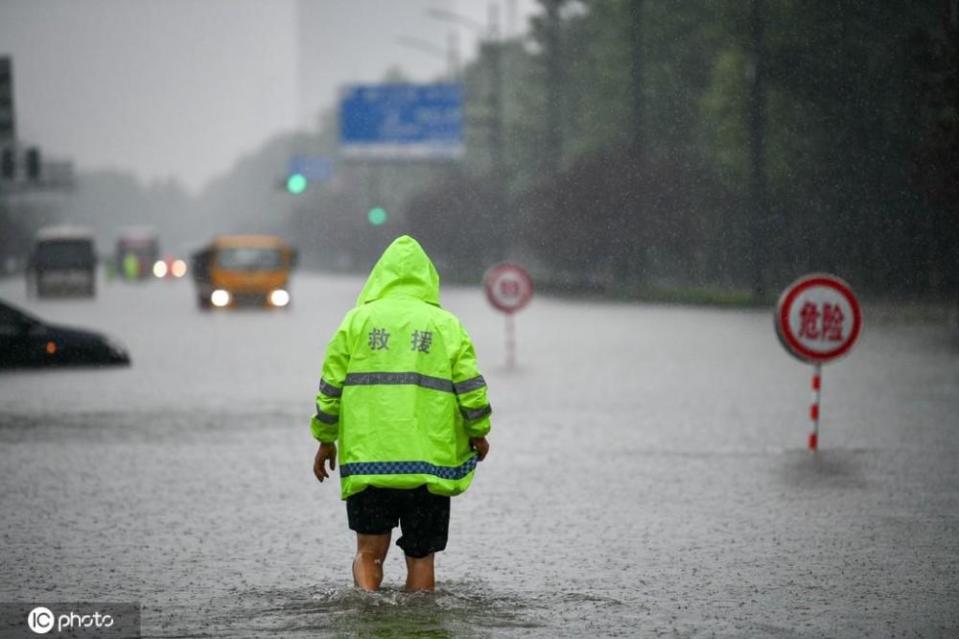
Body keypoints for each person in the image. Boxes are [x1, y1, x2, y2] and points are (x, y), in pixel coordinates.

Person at [311, 235, 492, 592]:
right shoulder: (445, 325)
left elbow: (330, 389)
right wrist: (479, 431)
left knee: (368, 552)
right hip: (429, 465)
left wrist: (324, 439)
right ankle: (421, 624)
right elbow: (472, 390)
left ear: (380, 276)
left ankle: (368, 609)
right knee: (422, 557)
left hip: (369, 461)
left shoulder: (356, 323)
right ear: (428, 278)